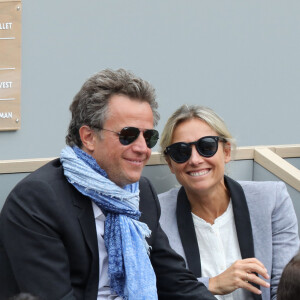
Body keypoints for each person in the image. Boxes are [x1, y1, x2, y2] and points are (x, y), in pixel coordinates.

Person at [0, 70, 217, 300]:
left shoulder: (139, 193)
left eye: (149, 136)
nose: (143, 148)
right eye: (128, 135)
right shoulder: (37, 200)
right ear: (88, 137)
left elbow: (175, 281)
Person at [158, 104, 300, 300]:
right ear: (170, 163)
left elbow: (285, 290)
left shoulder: (272, 200)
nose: (195, 159)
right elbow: (155, 289)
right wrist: (213, 284)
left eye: (206, 146)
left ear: (226, 152)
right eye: (181, 152)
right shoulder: (156, 214)